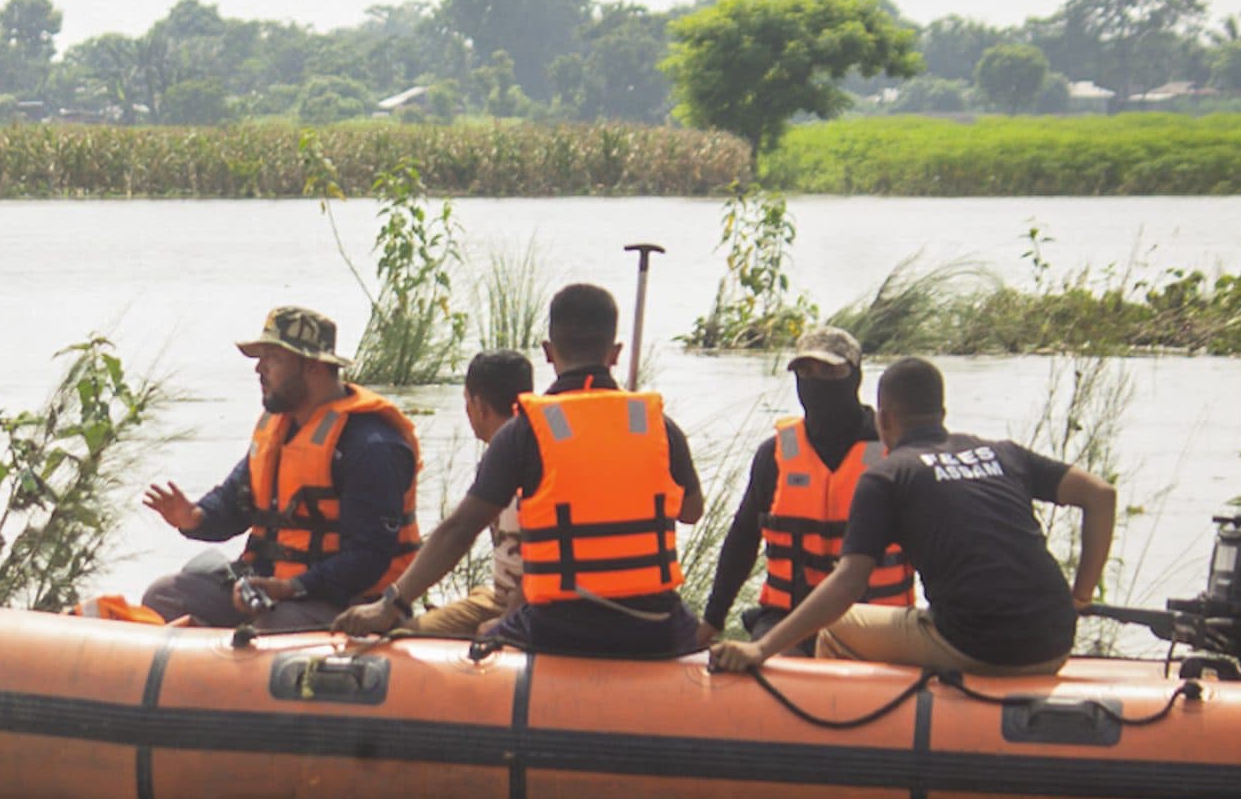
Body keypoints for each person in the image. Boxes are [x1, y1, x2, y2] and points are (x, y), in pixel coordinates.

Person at [338, 283, 705, 657]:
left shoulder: (525, 431)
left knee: (470, 640)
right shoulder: (658, 425)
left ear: (548, 351)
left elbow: (460, 530)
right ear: (615, 353)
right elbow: (691, 512)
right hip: (655, 627)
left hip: (557, 627)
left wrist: (392, 603)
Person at [709, 357, 1116, 679]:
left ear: (884, 418)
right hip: (1057, 639)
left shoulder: (890, 473)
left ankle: (852, 756)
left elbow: (849, 582)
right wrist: (1079, 597)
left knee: (835, 627)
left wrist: (761, 648)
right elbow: (1101, 495)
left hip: (977, 644)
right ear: (942, 410)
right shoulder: (1003, 453)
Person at [139, 306, 420, 631]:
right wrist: (195, 518)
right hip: (266, 590)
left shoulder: (371, 446)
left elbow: (368, 560)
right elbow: (234, 502)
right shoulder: (280, 428)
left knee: (273, 623)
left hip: (343, 600)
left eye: (272, 358)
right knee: (163, 597)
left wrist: (291, 587)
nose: (259, 369)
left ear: (312, 366)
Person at [697, 325, 912, 652]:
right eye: (805, 371)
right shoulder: (776, 454)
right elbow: (742, 538)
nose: (816, 382)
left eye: (829, 371)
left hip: (877, 618)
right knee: (765, 674)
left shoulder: (895, 454)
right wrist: (712, 619)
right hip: (787, 616)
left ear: (855, 377)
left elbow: (937, 546)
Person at [407, 349, 533, 638]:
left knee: (408, 636)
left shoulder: (516, 467)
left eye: (466, 403)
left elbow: (459, 532)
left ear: (478, 406)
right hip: (497, 596)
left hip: (524, 603)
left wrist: (506, 620)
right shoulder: (526, 452)